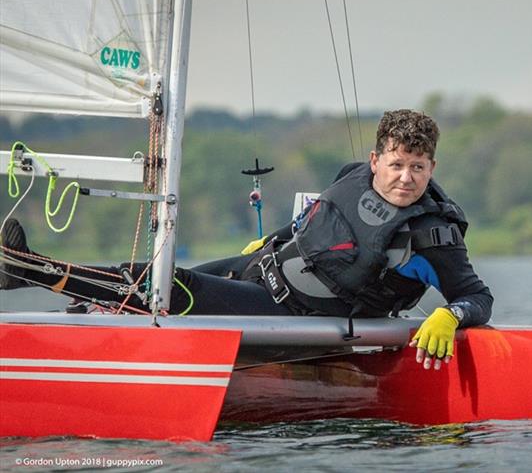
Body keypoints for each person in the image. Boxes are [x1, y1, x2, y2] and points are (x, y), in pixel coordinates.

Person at [0, 109, 493, 370]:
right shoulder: (351, 177)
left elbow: (477, 296)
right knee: (153, 283)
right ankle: (54, 303)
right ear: (374, 160)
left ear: (432, 167)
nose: (406, 178)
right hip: (262, 267)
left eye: (418, 167)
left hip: (289, 315)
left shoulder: (433, 236)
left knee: (160, 288)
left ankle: (29, 269)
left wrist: (450, 315)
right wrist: (272, 239)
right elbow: (316, 222)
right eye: (397, 164)